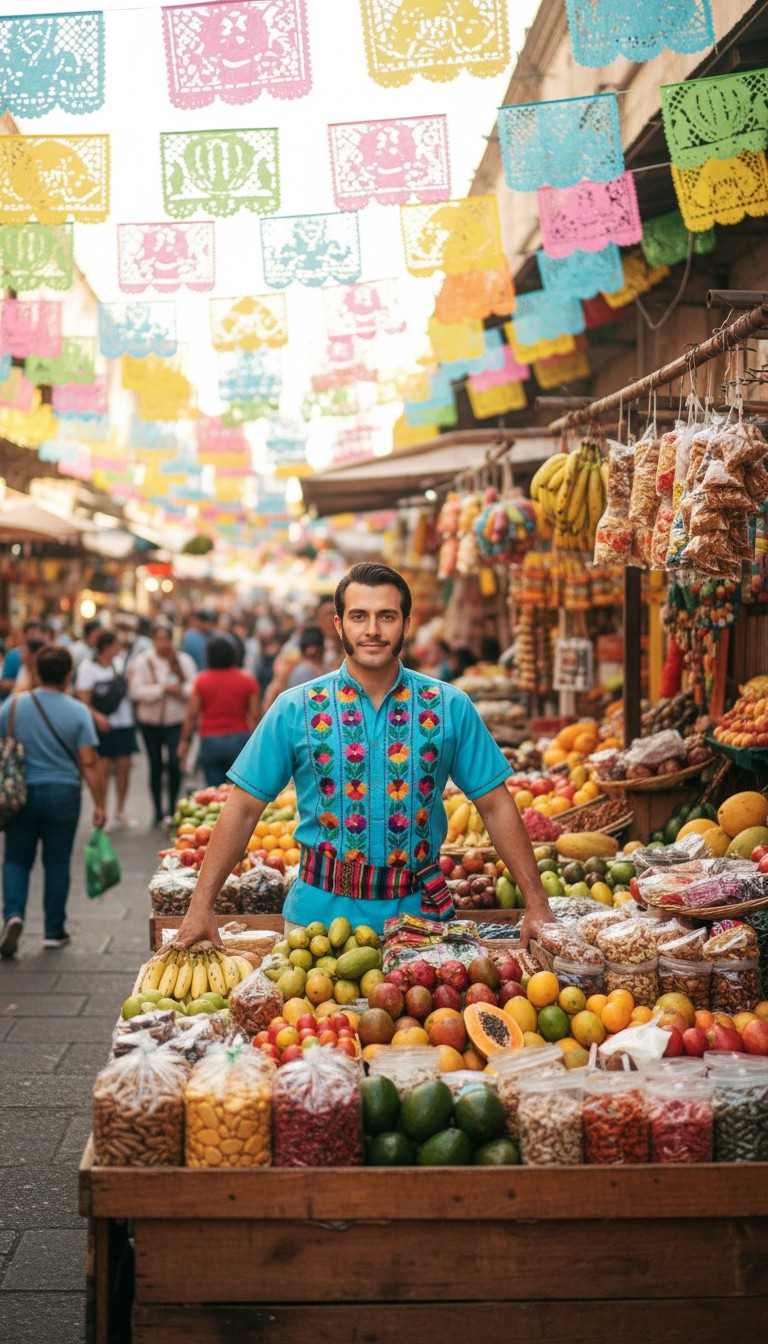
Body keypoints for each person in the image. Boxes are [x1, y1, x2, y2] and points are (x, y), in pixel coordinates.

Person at [175, 562, 554, 947]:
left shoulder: (448, 706)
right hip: (314, 929)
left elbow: (495, 805)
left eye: (386, 616)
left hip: (421, 924)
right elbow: (241, 809)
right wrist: (200, 906)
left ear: (406, 624)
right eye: (359, 616)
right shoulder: (295, 709)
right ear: (339, 626)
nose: (372, 630)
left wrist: (537, 904)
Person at [0, 645, 106, 957]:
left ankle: (14, 915)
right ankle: (53, 931)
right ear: (69, 676)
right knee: (57, 861)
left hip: (20, 794)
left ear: (35, 673)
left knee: (17, 858)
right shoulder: (77, 711)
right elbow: (88, 761)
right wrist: (100, 804)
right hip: (63, 794)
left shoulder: (13, 706)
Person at [128, 621, 196, 826]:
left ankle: (173, 806)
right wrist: (161, 690)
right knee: (155, 766)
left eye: (167, 639)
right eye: (159, 639)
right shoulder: (142, 662)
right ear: (152, 640)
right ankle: (158, 810)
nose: (164, 644)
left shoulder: (184, 661)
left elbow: (194, 689)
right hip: (150, 722)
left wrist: (180, 691)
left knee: (175, 765)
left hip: (176, 721)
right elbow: (135, 692)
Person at [75, 629, 140, 830]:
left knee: (124, 767)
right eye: (116, 645)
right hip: (102, 726)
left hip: (124, 723)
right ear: (106, 647)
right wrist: (97, 717)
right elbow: (83, 698)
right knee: (102, 768)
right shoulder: (88, 668)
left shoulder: (119, 664)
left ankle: (120, 810)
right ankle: (101, 810)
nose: (120, 649)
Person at [177, 635, 261, 787]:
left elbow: (191, 716)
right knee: (241, 788)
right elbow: (256, 716)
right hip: (239, 739)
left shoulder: (201, 680)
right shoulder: (247, 680)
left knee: (214, 790)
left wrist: (184, 742)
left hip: (210, 740)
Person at [0, 619, 45, 699]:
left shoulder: (46, 656)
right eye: (31, 635)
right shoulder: (13, 656)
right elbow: (3, 684)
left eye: (36, 635)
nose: (34, 638)